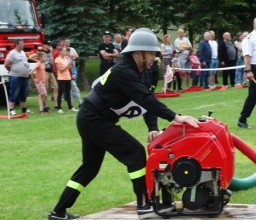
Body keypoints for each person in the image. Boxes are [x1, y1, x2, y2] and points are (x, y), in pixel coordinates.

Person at [48, 28, 199, 220]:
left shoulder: (139, 70)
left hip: (94, 119)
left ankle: (58, 212)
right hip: (94, 119)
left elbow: (146, 99)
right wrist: (176, 117)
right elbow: (145, 98)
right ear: (138, 54)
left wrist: (152, 127)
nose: (154, 57)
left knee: (89, 168)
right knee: (134, 153)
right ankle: (144, 205)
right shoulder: (123, 71)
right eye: (151, 53)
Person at [4, 39, 30, 115]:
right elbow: (6, 64)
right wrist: (11, 71)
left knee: (24, 93)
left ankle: (24, 109)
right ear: (16, 44)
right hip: (15, 76)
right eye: (21, 43)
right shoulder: (12, 53)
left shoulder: (23, 52)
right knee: (14, 92)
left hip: (24, 76)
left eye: (23, 43)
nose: (23, 44)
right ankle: (11, 109)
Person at [54, 47, 78, 113]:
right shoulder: (57, 59)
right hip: (61, 78)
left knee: (68, 93)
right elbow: (60, 70)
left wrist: (71, 64)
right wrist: (68, 65)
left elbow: (70, 67)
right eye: (64, 51)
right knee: (60, 93)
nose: (65, 52)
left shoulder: (67, 58)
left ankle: (70, 107)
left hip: (68, 77)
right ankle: (59, 108)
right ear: (60, 52)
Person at [64, 38, 82, 108]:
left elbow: (76, 56)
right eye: (66, 42)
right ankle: (77, 102)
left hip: (72, 72)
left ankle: (74, 103)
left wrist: (74, 73)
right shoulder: (63, 55)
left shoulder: (72, 50)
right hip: (66, 73)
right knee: (72, 88)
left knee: (73, 87)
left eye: (69, 42)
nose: (68, 43)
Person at [42, 40, 59, 110]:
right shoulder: (41, 52)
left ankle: (56, 105)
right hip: (44, 71)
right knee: (45, 89)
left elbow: (52, 62)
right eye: (47, 45)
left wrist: (51, 53)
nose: (49, 46)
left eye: (49, 45)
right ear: (44, 45)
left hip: (50, 71)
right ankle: (45, 106)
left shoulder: (50, 52)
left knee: (55, 87)